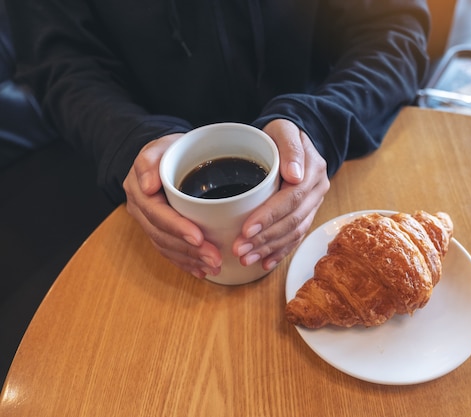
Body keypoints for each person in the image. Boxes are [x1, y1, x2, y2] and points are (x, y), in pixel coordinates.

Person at [5, 0, 431, 280]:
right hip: (147, 208)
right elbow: (57, 60)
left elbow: (394, 29)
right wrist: (127, 138)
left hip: (331, 162)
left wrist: (317, 125)